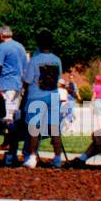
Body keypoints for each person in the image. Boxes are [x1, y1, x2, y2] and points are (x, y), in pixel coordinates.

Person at [22, 29, 65, 169]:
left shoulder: (34, 60)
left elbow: (27, 80)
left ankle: (32, 157)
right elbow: (58, 78)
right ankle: (57, 158)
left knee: (34, 127)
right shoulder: (57, 60)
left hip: (36, 95)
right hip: (53, 95)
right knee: (54, 128)